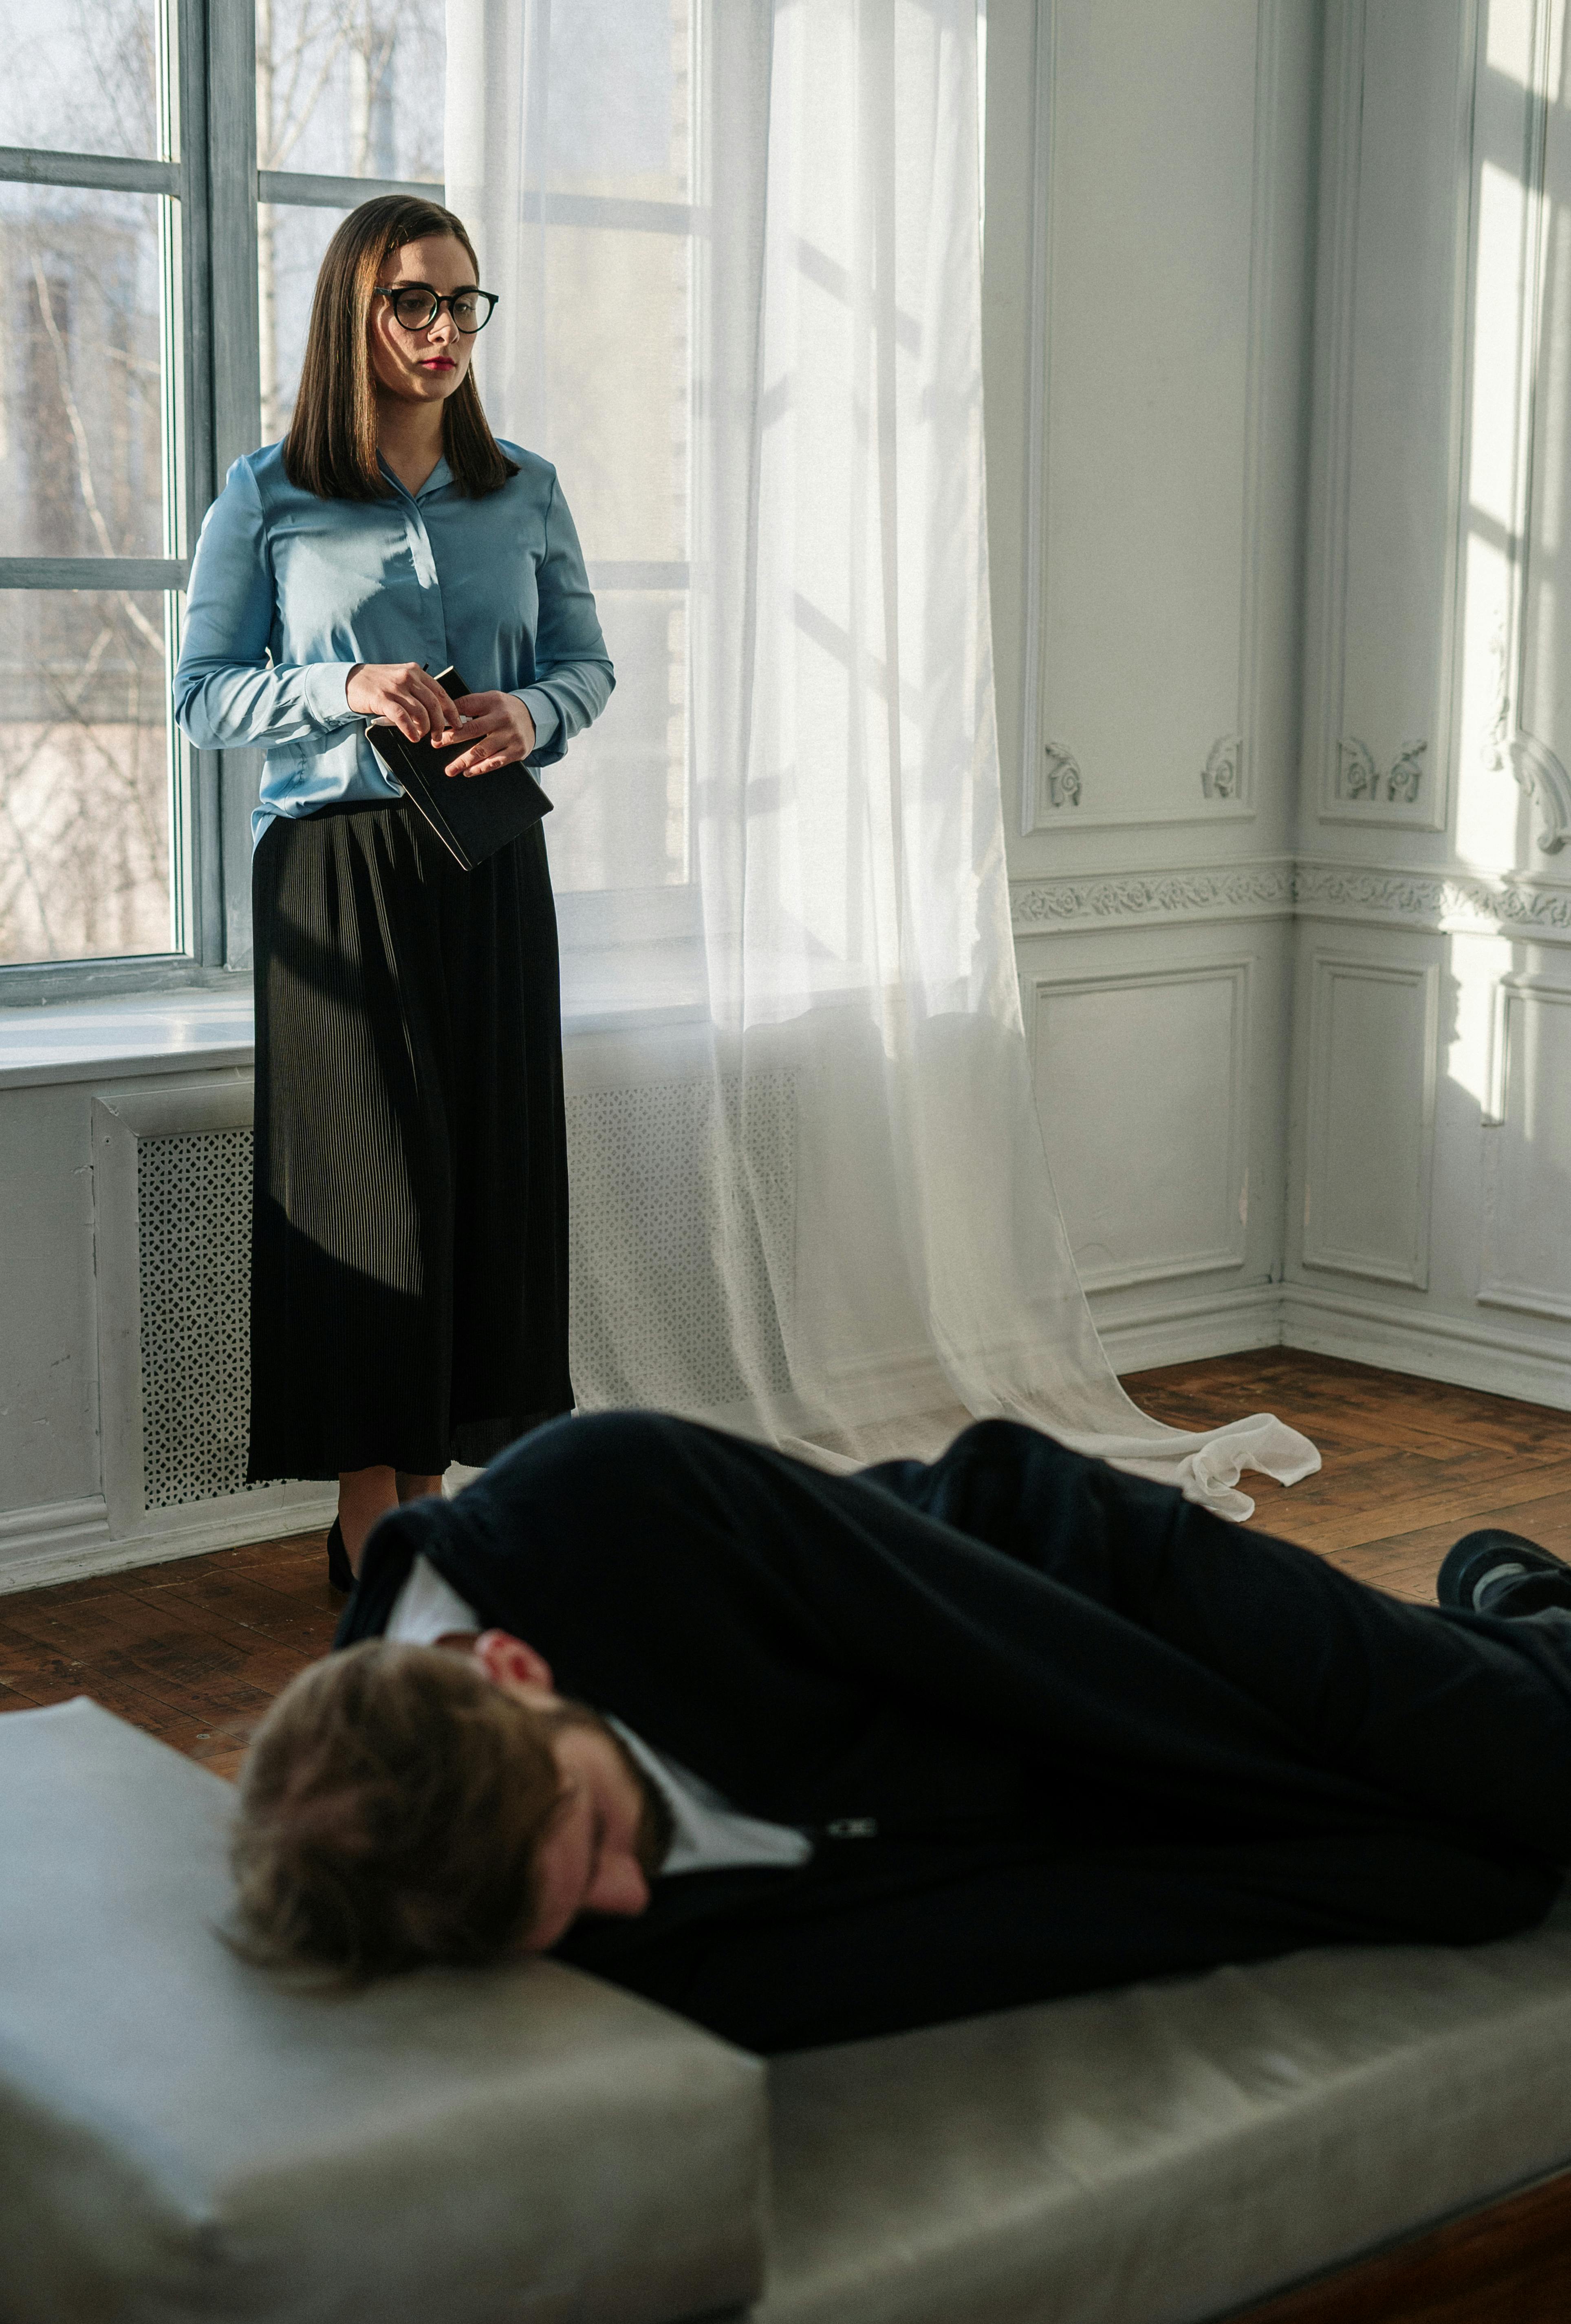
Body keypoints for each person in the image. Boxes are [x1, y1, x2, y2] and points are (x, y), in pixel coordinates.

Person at [230, 1411, 1571, 2054]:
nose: (630, 1901)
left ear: (516, 1668)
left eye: (594, 1835)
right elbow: (993, 1924)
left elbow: (1072, 1680)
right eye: (575, 1909)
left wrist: (1379, 1808)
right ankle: (1515, 1598)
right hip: (1015, 1751)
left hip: (1080, 1598)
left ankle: (1507, 1616)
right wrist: (1377, 1880)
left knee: (1512, 1752)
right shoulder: (466, 1865)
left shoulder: (605, 1504)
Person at [174, 197, 613, 1584]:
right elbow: (199, 699)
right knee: (369, 1203)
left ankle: (434, 1501)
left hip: (487, 868)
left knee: (478, 1185)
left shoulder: (525, 488)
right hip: (333, 875)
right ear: (353, 315)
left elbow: (587, 668)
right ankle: (370, 1521)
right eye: (413, 304)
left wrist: (526, 719)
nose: (442, 333)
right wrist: (342, 687)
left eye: (463, 305)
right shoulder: (268, 494)